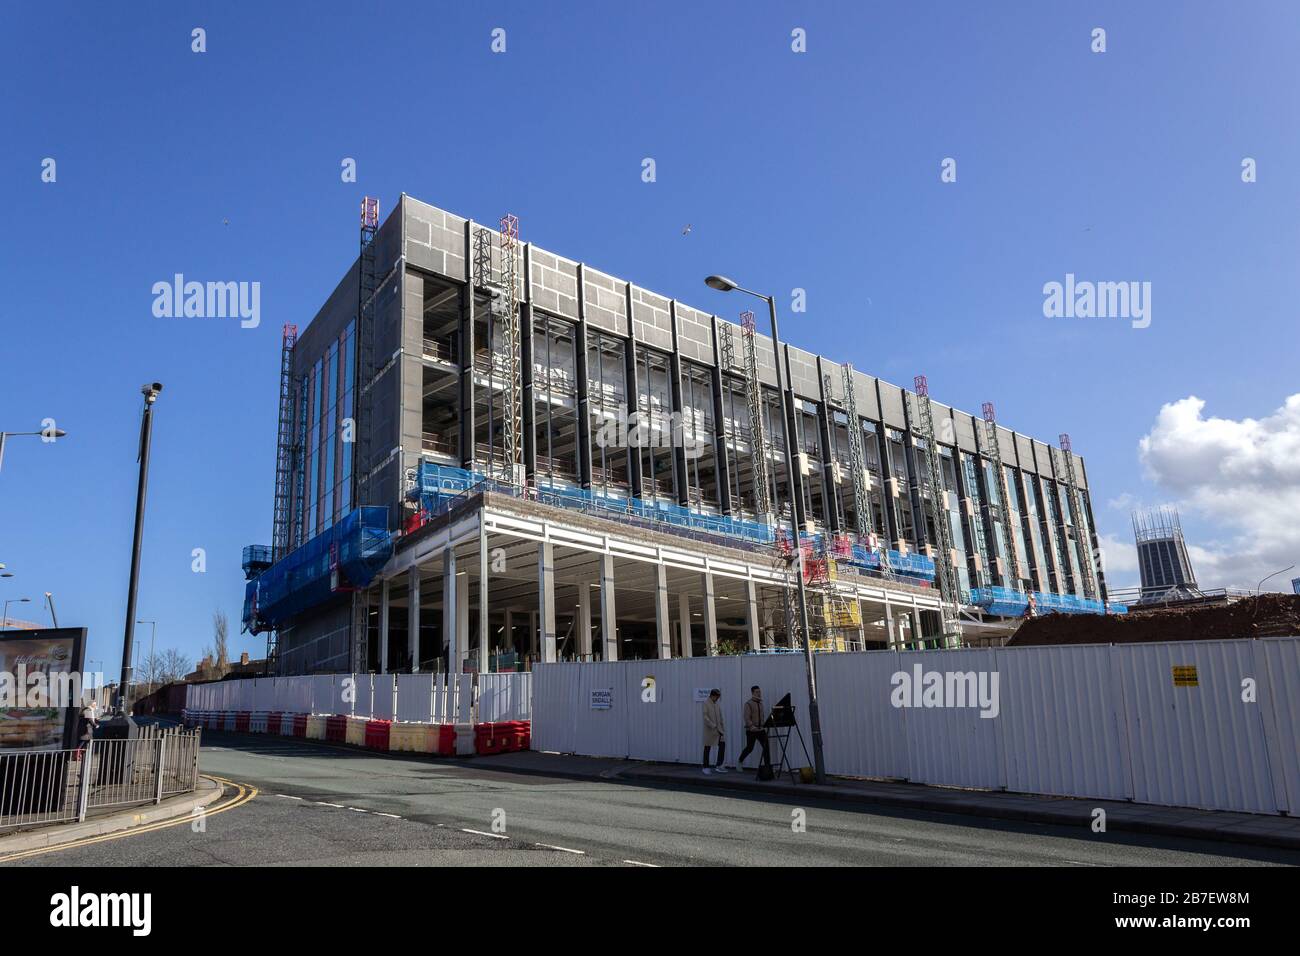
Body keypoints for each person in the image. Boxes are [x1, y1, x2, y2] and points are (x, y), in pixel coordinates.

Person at [737, 685, 771, 772]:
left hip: (761, 730)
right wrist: (751, 726)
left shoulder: (760, 704)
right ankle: (740, 762)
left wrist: (764, 726)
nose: (759, 693)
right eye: (757, 692)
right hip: (751, 730)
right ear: (752, 693)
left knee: (766, 747)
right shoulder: (748, 704)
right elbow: (746, 717)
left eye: (760, 692)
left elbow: (762, 717)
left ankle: (767, 767)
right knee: (750, 748)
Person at [701, 688, 728, 774]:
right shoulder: (706, 703)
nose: (717, 698)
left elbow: (720, 717)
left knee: (722, 745)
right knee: (707, 747)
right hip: (710, 730)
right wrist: (713, 725)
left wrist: (722, 728)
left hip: (718, 730)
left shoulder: (717, 704)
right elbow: (705, 717)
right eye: (717, 697)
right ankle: (705, 767)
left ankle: (719, 765)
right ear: (713, 696)